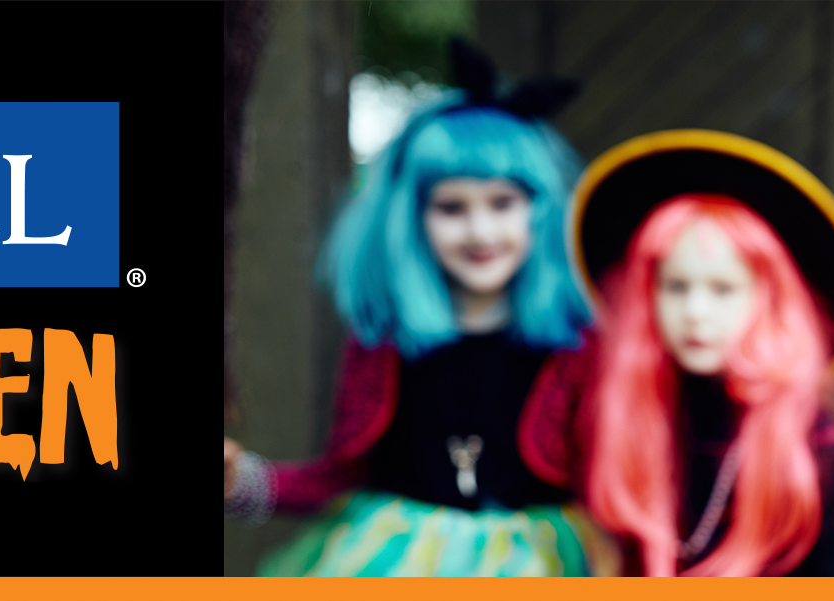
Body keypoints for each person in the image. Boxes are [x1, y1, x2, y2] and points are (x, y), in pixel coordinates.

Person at [223, 39, 611, 576]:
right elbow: (340, 480)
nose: (481, 231)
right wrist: (245, 480)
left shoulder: (578, 345)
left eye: (503, 204)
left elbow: (613, 487)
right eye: (452, 208)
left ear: (541, 212)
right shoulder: (382, 340)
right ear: (412, 217)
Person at [574, 131, 834, 576]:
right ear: (648, 295)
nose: (696, 312)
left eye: (723, 290)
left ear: (768, 299)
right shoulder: (623, 417)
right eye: (676, 287)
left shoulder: (815, 447)